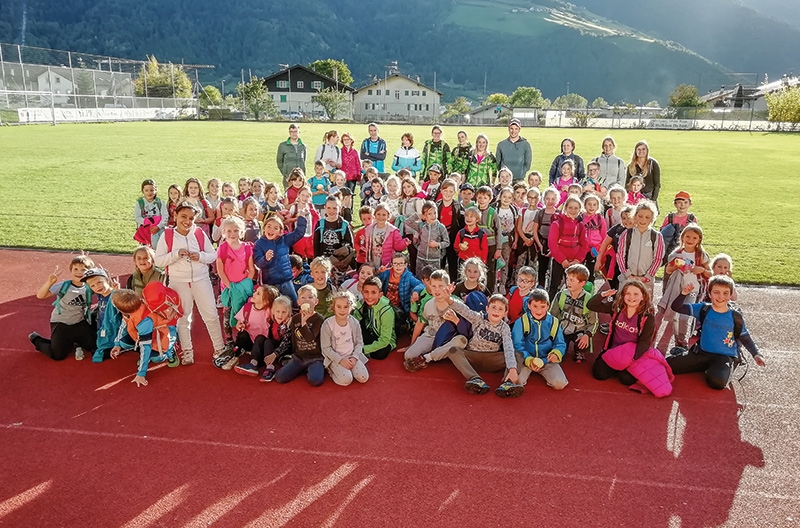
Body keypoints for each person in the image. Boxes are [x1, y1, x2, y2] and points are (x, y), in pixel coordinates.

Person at [154, 202, 226, 365]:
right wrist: (175, 254)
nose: (187, 221)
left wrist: (199, 256)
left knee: (212, 315)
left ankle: (219, 348)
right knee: (183, 317)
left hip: (201, 279)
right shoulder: (167, 236)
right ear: (175, 216)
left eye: (191, 218)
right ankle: (187, 351)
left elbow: (212, 255)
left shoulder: (199, 233)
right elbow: (158, 260)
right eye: (183, 217)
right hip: (178, 282)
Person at [667, 276, 765, 390]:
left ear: (731, 294)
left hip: (723, 357)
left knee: (717, 383)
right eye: (716, 292)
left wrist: (756, 354)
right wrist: (683, 294)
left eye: (725, 293)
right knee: (667, 366)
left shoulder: (735, 316)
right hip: (702, 353)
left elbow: (745, 337)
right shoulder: (703, 309)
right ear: (710, 293)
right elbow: (676, 307)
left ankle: (715, 368)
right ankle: (701, 363)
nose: (720, 296)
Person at [444, 293, 523, 398]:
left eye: (500, 309)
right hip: (473, 357)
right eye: (493, 307)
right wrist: (448, 299)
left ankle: (508, 383)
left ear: (505, 313)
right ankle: (475, 379)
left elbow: (508, 348)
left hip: (492, 359)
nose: (496, 311)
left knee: (518, 355)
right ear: (487, 309)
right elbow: (464, 310)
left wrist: (513, 369)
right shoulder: (479, 318)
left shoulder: (505, 328)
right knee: (453, 350)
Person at [110, 285, 181, 387]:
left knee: (157, 359)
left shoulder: (144, 321)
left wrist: (141, 374)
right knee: (123, 343)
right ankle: (146, 357)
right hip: (146, 333)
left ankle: (171, 350)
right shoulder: (130, 309)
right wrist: (117, 344)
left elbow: (146, 346)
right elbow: (123, 324)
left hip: (162, 334)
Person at [654, 224, 710, 352]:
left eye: (694, 237)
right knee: (674, 316)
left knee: (684, 317)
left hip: (692, 290)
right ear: (682, 237)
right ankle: (678, 342)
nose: (690, 240)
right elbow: (668, 270)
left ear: (699, 240)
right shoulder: (676, 254)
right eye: (688, 236)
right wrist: (676, 266)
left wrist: (700, 269)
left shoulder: (700, 255)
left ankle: (683, 340)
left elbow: (710, 272)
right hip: (677, 289)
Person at [30, 255, 95, 361]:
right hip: (61, 323)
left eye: (83, 269)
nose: (79, 272)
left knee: (93, 346)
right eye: (76, 269)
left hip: (79, 322)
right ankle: (36, 339)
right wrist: (50, 282)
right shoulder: (64, 285)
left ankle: (75, 341)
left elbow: (104, 290)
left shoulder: (89, 287)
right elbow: (40, 295)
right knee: (57, 355)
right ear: (71, 270)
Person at [403, 269, 469, 371]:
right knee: (409, 355)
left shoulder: (457, 303)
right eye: (433, 286)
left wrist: (455, 320)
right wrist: (411, 344)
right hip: (431, 336)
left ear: (448, 286)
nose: (437, 290)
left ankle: (428, 357)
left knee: (461, 341)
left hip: (448, 339)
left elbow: (467, 331)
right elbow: (420, 323)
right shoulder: (428, 304)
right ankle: (435, 355)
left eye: (440, 286)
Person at [215, 216, 256, 361]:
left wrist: (245, 284)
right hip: (229, 289)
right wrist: (230, 286)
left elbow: (251, 269)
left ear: (242, 231)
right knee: (227, 315)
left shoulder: (246, 248)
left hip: (243, 288)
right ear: (224, 232)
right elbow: (220, 271)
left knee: (243, 314)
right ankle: (229, 341)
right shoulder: (222, 248)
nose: (233, 234)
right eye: (229, 231)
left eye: (236, 230)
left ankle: (243, 340)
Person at [513, 288, 568, 390]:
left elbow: (560, 343)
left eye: (543, 306)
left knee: (559, 384)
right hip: (526, 359)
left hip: (546, 359)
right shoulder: (521, 322)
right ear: (529, 306)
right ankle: (526, 370)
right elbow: (517, 344)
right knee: (517, 381)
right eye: (535, 306)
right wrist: (528, 359)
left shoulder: (554, 322)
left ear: (548, 306)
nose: (539, 310)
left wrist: (556, 353)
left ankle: (544, 371)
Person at [232, 288, 289, 380]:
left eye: (258, 293)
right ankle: (252, 364)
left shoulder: (269, 311)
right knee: (249, 336)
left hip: (268, 345)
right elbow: (239, 322)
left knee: (265, 341)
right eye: (255, 292)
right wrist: (240, 325)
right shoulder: (247, 307)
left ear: (266, 301)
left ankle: (270, 367)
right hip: (253, 341)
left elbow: (278, 315)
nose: (254, 294)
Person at [275, 285, 325, 386]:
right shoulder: (295, 319)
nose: (307, 300)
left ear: (316, 301)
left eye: (310, 297)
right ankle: (301, 368)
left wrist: (304, 323)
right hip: (299, 357)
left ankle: (311, 368)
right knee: (280, 378)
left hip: (315, 357)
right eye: (303, 297)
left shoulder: (319, 319)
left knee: (315, 381)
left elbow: (309, 338)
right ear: (298, 302)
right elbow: (294, 338)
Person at [254, 213, 307, 305]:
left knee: (293, 304)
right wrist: (265, 259)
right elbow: (258, 262)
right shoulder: (259, 243)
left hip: (286, 281)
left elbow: (299, 233)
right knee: (274, 306)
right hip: (271, 283)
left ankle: (293, 318)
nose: (271, 230)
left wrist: (302, 217)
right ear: (264, 228)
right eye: (269, 226)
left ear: (280, 231)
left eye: (275, 228)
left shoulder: (284, 240)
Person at [550, 264, 598, 363]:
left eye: (572, 280)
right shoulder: (561, 295)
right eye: (567, 279)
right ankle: (561, 345)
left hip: (579, 331)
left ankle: (579, 350)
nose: (568, 282)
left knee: (583, 343)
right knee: (558, 357)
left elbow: (594, 322)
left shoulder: (589, 300)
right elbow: (552, 315)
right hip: (562, 329)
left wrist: (587, 335)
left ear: (582, 283)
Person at [616, 201, 665, 297]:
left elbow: (658, 259)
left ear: (652, 219)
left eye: (647, 217)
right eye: (640, 216)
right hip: (627, 278)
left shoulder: (656, 236)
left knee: (644, 307)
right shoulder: (626, 234)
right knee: (625, 304)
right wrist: (628, 274)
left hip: (646, 280)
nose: (643, 220)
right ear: (635, 216)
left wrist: (647, 276)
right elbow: (620, 256)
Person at [321, 291, 370, 386]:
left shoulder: (354, 323)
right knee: (346, 380)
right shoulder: (327, 325)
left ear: (351, 308)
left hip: (351, 356)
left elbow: (359, 343)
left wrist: (355, 357)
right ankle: (332, 370)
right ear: (333, 307)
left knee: (363, 378)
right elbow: (326, 348)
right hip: (336, 358)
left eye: (346, 307)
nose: (342, 310)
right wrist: (340, 360)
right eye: (339, 307)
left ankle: (349, 368)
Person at [547, 196, 589, 301]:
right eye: (570, 208)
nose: (573, 211)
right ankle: (551, 308)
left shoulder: (581, 225)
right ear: (565, 208)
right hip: (559, 261)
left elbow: (584, 245)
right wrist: (563, 260)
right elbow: (552, 244)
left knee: (574, 287)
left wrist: (577, 260)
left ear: (580, 209)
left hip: (576, 262)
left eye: (576, 208)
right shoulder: (557, 224)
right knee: (554, 286)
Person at [86, 267, 123, 362]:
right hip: (102, 327)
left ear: (107, 280)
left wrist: (117, 292)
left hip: (113, 331)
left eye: (99, 282)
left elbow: (121, 307)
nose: (97, 287)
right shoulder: (100, 294)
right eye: (93, 286)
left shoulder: (114, 294)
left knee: (100, 352)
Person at [354, 277, 396, 360]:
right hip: (370, 331)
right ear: (362, 292)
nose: (369, 296)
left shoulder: (387, 311)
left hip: (384, 338)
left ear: (380, 294)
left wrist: (363, 349)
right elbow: (355, 323)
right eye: (366, 292)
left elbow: (385, 339)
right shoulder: (361, 304)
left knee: (381, 353)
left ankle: (365, 351)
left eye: (373, 292)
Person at [376, 252, 425, 323]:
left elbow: (421, 284)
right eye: (395, 263)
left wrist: (416, 291)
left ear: (405, 265)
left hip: (401, 307)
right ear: (391, 265)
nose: (398, 266)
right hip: (385, 304)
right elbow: (375, 280)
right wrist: (378, 271)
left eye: (401, 263)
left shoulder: (408, 276)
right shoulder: (386, 273)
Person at [405, 200, 449, 276]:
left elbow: (447, 242)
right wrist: (418, 215)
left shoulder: (440, 227)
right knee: (420, 278)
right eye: (429, 214)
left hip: (434, 260)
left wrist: (437, 244)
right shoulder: (421, 226)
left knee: (434, 279)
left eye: (435, 213)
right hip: (421, 258)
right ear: (424, 216)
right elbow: (407, 222)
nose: (433, 216)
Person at [314, 196, 354, 277]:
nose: (331, 211)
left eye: (334, 208)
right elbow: (316, 245)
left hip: (339, 263)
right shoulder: (320, 224)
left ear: (340, 208)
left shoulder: (344, 224)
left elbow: (350, 245)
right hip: (324, 262)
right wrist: (317, 261)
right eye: (329, 208)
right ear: (324, 207)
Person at [363, 204, 408, 268]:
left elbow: (397, 247)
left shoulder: (393, 231)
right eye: (378, 214)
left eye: (384, 215)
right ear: (374, 215)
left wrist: (404, 243)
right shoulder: (369, 229)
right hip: (371, 261)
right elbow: (367, 244)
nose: (381, 217)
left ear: (388, 216)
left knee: (384, 277)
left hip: (386, 263)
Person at [437, 178, 465, 280]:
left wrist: (461, 240)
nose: (447, 193)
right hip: (440, 239)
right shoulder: (437, 205)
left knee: (453, 263)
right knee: (440, 263)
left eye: (451, 191)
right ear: (441, 190)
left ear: (455, 192)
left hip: (453, 238)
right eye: (445, 190)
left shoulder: (458, 207)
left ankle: (453, 285)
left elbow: (462, 224)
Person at [533, 187, 559, 291]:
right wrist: (539, 244)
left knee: (553, 268)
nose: (550, 201)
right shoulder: (540, 213)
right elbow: (535, 230)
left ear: (557, 200)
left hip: (555, 245)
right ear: (544, 200)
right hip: (542, 243)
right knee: (542, 267)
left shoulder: (559, 214)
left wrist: (555, 247)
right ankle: (541, 287)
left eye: (553, 199)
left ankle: (552, 289)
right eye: (548, 199)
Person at [133, 179, 168, 248]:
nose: (149, 193)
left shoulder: (160, 203)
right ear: (143, 191)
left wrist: (158, 227)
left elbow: (165, 217)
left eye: (152, 190)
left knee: (158, 248)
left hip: (158, 230)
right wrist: (148, 222)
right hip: (145, 231)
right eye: (146, 190)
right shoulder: (140, 203)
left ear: (156, 190)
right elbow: (137, 218)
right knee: (145, 250)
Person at [626, 140, 661, 205]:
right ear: (635, 151)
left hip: (649, 196)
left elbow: (657, 184)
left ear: (647, 150)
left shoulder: (652, 164)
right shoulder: (631, 166)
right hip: (634, 197)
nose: (641, 151)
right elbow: (627, 184)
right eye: (639, 149)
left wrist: (654, 200)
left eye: (643, 149)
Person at [582, 194, 606, 274]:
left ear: (597, 206)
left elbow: (604, 235)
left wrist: (600, 248)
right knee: (580, 270)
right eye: (589, 204)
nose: (591, 207)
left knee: (591, 271)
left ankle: (590, 285)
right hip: (582, 248)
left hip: (595, 249)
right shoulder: (581, 218)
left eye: (594, 205)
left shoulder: (600, 219)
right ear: (584, 205)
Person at [277, 123, 307, 189]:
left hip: (300, 179)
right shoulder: (283, 146)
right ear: (289, 133)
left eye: (295, 131)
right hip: (288, 178)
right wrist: (285, 174)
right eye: (291, 132)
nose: (293, 133)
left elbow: (303, 162)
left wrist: (303, 176)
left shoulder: (303, 146)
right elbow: (279, 162)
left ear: (299, 132)